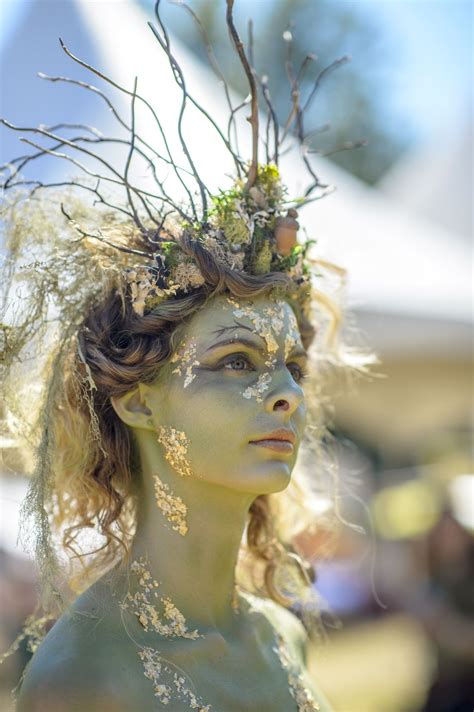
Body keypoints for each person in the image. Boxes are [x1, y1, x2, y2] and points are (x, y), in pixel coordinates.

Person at [1, 2, 365, 709]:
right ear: (137, 397)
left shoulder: (279, 637)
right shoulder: (83, 681)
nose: (287, 391)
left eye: (289, 362)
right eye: (236, 362)